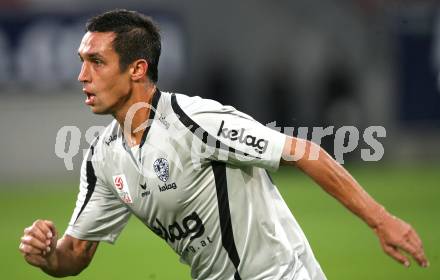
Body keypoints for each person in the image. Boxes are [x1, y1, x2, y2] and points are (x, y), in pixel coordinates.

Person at [19, 9, 428, 280]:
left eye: (96, 62)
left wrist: (381, 220)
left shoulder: (194, 122)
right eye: (81, 61)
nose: (82, 76)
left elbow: (306, 152)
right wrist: (49, 255)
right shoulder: (102, 158)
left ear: (137, 69)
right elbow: (76, 253)